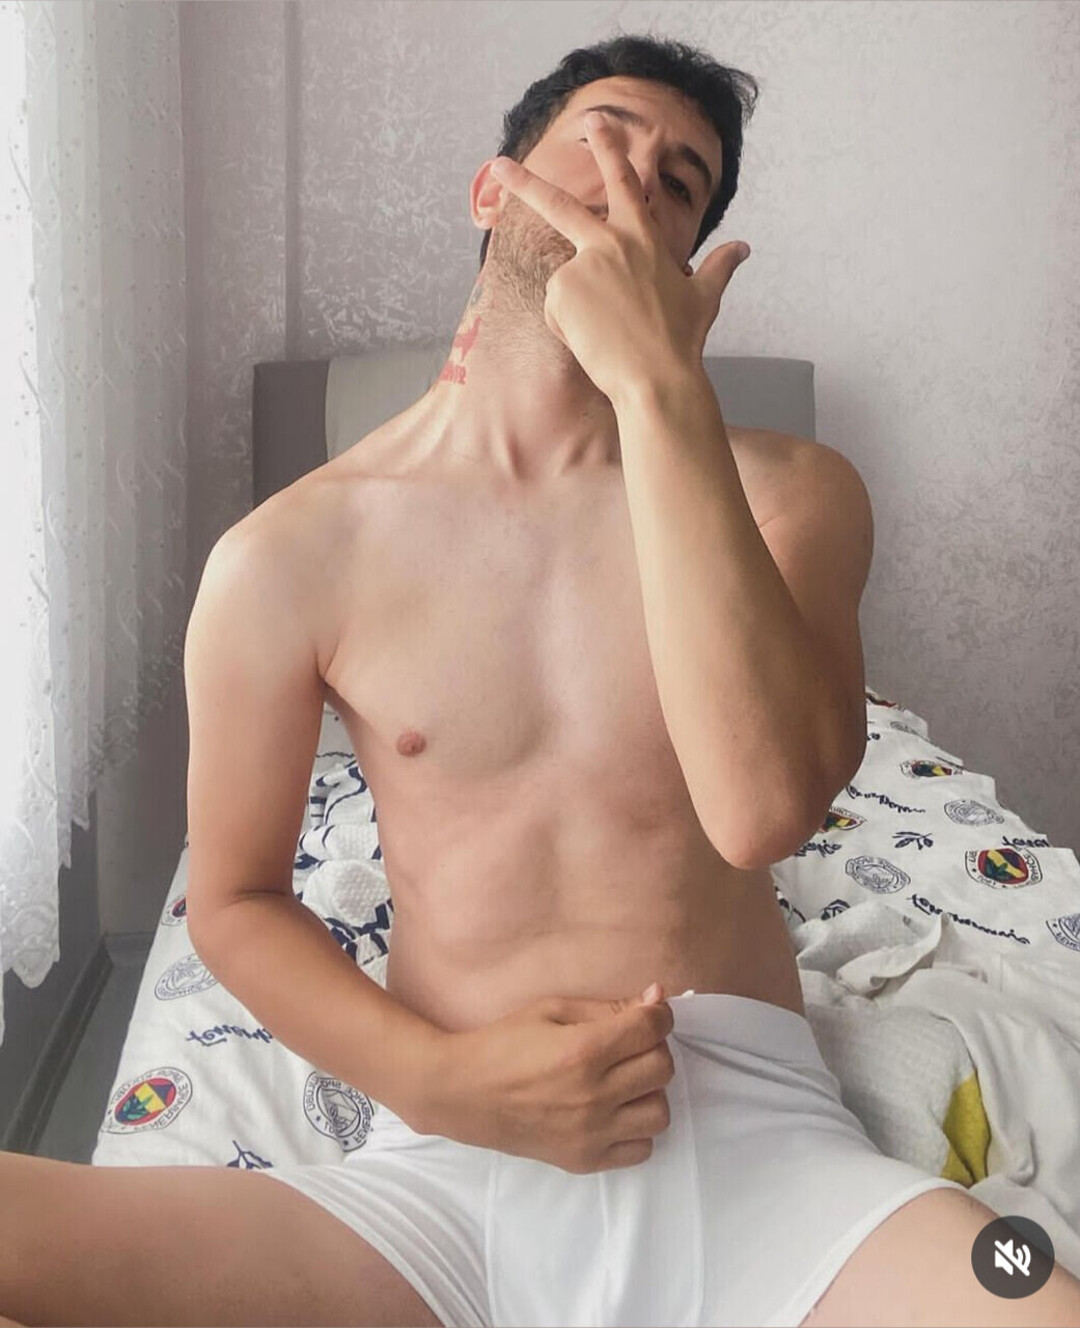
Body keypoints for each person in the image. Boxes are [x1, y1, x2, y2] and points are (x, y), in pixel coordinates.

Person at [3, 32, 1079, 1328]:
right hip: (446, 1173)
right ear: (494, 189)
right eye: (605, 137)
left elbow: (762, 810)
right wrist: (441, 1083)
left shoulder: (791, 494)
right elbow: (234, 900)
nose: (634, 186)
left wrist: (660, 388)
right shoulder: (290, 552)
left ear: (686, 265)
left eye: (679, 183)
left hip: (770, 1155)